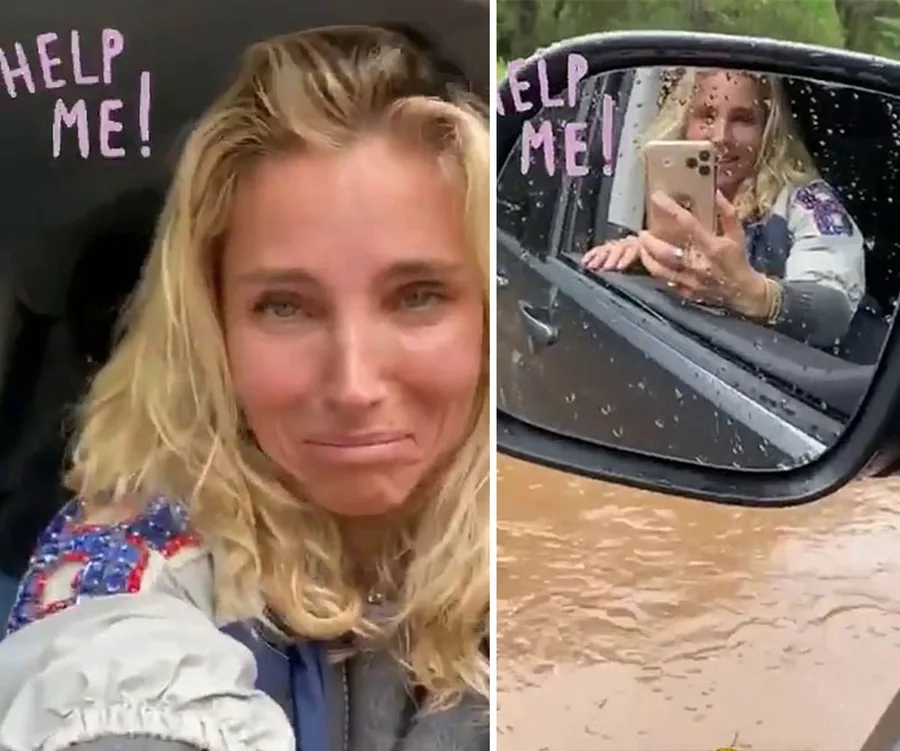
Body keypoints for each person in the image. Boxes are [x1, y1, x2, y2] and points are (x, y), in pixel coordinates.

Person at [0, 23, 489, 751]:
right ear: (213, 327)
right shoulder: (137, 554)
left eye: (418, 296)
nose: (353, 385)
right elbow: (106, 679)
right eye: (285, 306)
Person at [582, 67, 866, 349]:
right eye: (706, 115)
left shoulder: (805, 202)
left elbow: (833, 311)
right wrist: (643, 258)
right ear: (684, 122)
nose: (720, 136)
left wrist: (760, 296)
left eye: (743, 119)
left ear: (768, 129)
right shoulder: (670, 198)